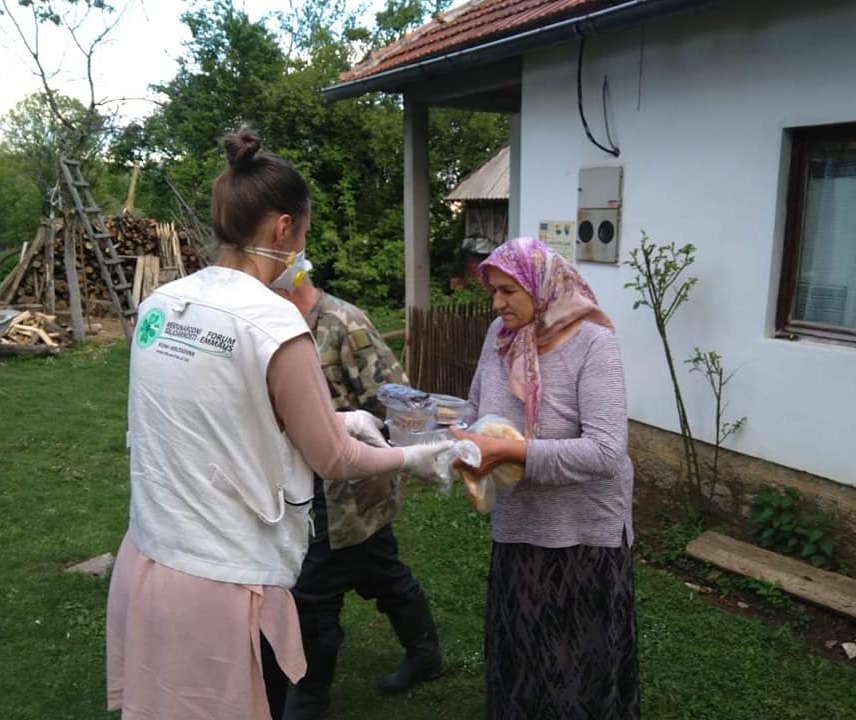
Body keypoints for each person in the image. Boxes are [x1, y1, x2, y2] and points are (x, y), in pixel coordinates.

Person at [106, 128, 451, 720]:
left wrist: (340, 417)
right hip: (221, 578)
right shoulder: (274, 321)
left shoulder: (162, 305)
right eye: (306, 231)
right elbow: (335, 463)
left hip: (149, 554)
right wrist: (412, 457)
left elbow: (223, 413)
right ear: (284, 228)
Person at [451, 236, 639, 720]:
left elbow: (605, 451)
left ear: (543, 287)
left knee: (576, 668)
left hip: (582, 539)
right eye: (493, 291)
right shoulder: (501, 336)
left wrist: (511, 451)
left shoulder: (594, 344)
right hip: (519, 528)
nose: (496, 303)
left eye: (508, 291)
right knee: (522, 659)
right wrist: (458, 437)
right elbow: (476, 408)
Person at [279, 277, 445, 719]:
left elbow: (399, 403)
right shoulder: (280, 324)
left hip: (348, 493)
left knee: (313, 594)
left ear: (290, 285)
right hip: (308, 485)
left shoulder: (343, 324)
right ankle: (426, 654)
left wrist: (374, 450)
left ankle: (308, 700)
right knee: (383, 574)